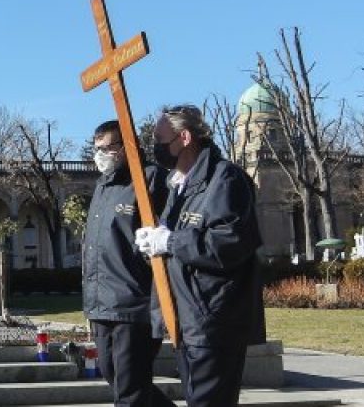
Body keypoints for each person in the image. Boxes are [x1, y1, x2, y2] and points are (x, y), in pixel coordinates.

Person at [136, 105, 263, 407]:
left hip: (214, 317)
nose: (155, 147)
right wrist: (151, 247)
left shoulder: (225, 179)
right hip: (188, 317)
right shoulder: (179, 186)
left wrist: (170, 241)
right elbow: (177, 246)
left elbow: (229, 243)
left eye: (160, 139)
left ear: (184, 137)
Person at [82, 120, 174, 407]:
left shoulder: (151, 180)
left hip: (134, 303)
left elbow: (168, 233)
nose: (102, 154)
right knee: (114, 375)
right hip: (101, 304)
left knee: (130, 390)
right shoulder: (103, 186)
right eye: (97, 149)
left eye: (109, 148)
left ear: (129, 147)